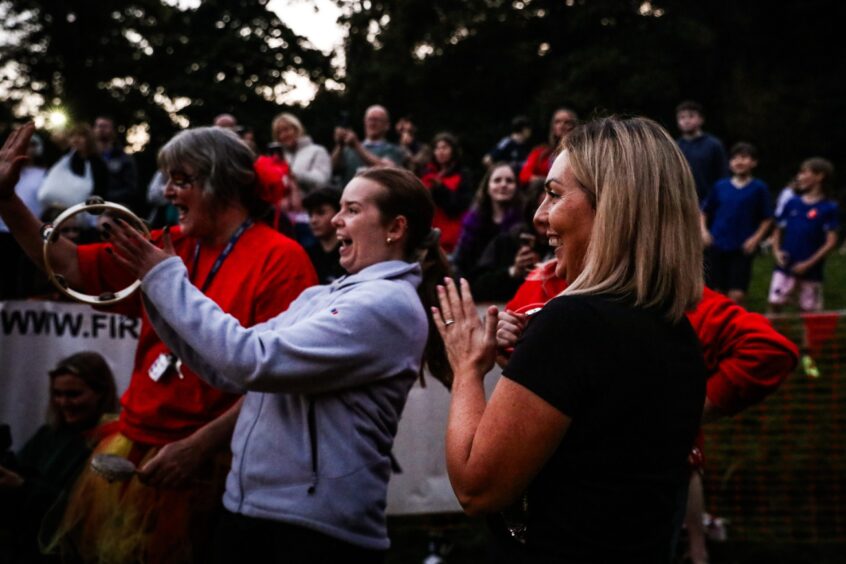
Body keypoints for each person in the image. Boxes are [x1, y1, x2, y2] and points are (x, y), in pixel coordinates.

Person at [0, 123, 317, 563]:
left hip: (218, 463)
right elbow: (68, 265)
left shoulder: (281, 259)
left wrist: (199, 447)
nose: (166, 191)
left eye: (181, 179)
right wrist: (7, 201)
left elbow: (281, 382)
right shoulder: (166, 246)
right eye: (168, 178)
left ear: (222, 182)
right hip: (138, 444)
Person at [105, 167, 452, 562]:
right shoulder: (323, 295)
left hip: (315, 532)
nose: (336, 219)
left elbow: (251, 360)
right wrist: (159, 285)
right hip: (253, 511)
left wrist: (166, 280)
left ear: (396, 228)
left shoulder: (386, 305)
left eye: (352, 209)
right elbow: (226, 368)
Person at [434, 117, 709, 562]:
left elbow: (475, 487)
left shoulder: (573, 324)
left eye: (554, 195)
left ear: (615, 208)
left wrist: (467, 366)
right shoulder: (676, 331)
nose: (540, 215)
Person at [0, 352, 119, 563]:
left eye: (73, 394)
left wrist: (23, 487)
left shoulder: (112, 443)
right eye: (58, 394)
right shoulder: (49, 434)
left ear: (101, 393)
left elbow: (86, 513)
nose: (63, 402)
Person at [701, 142, 773, 305]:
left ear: (754, 162)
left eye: (744, 157)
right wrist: (704, 232)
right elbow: (704, 211)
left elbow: (767, 218)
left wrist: (755, 239)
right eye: (734, 158)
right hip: (717, 244)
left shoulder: (759, 188)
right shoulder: (720, 186)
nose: (739, 162)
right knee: (716, 292)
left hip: (742, 247)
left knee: (737, 294)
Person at [768, 157, 839, 313]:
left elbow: (831, 242)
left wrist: (808, 263)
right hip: (785, 266)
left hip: (811, 271)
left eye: (804, 172)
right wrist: (776, 252)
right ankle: (775, 337)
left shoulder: (829, 207)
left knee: (810, 314)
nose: (799, 177)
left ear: (820, 176)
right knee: (775, 304)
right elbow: (777, 229)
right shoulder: (792, 202)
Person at [470, 183, 549, 303]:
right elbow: (477, 287)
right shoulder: (508, 241)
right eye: (537, 209)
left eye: (550, 209)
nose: (542, 217)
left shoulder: (567, 244)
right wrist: (513, 272)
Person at [451, 163, 522, 279]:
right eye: (497, 180)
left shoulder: (524, 222)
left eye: (509, 181)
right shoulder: (472, 224)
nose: (503, 185)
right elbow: (459, 263)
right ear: (487, 187)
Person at [0, 132, 45, 299]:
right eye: (26, 144)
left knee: (27, 275)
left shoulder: (45, 174)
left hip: (31, 231)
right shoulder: (3, 170)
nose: (28, 148)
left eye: (33, 145)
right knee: (5, 275)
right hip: (3, 230)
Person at [419, 132, 474, 254]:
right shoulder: (427, 174)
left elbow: (460, 205)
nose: (440, 152)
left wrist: (440, 188)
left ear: (453, 151)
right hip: (428, 234)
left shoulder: (463, 175)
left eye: (445, 148)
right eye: (437, 148)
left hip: (451, 236)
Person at [37, 123, 108, 213]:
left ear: (89, 139)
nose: (76, 139)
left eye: (81, 136)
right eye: (73, 136)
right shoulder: (64, 156)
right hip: (55, 210)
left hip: (82, 215)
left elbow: (101, 192)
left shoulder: (98, 164)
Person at [332, 105, 405, 187]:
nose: (372, 123)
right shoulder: (348, 149)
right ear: (364, 122)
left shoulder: (393, 150)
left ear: (387, 125)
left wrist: (357, 146)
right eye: (370, 119)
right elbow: (332, 169)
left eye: (377, 120)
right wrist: (340, 146)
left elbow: (388, 170)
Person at [676, 101, 728, 202]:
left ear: (701, 119)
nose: (686, 121)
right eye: (682, 117)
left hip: (709, 203)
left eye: (691, 116)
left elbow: (723, 176)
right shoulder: (675, 147)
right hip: (682, 202)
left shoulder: (714, 145)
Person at [271, 112, 332, 195]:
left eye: (286, 130)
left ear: (296, 129)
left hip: (310, 205)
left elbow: (322, 180)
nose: (283, 136)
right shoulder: (277, 157)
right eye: (278, 133)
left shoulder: (317, 151)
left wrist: (295, 175)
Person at [518, 108, 578, 189]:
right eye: (557, 122)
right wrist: (546, 181)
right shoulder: (540, 152)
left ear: (574, 126)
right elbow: (524, 175)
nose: (562, 125)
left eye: (567, 122)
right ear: (553, 127)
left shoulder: (581, 154)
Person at [93, 116, 140, 212]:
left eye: (105, 126)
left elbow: (131, 189)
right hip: (87, 206)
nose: (101, 129)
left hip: (114, 207)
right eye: (98, 126)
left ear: (113, 130)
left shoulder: (125, 159)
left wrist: (104, 197)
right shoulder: (87, 158)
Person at [301, 187, 345, 284]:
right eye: (310, 215)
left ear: (338, 213)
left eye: (321, 213)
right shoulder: (307, 254)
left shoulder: (349, 254)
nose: (313, 220)